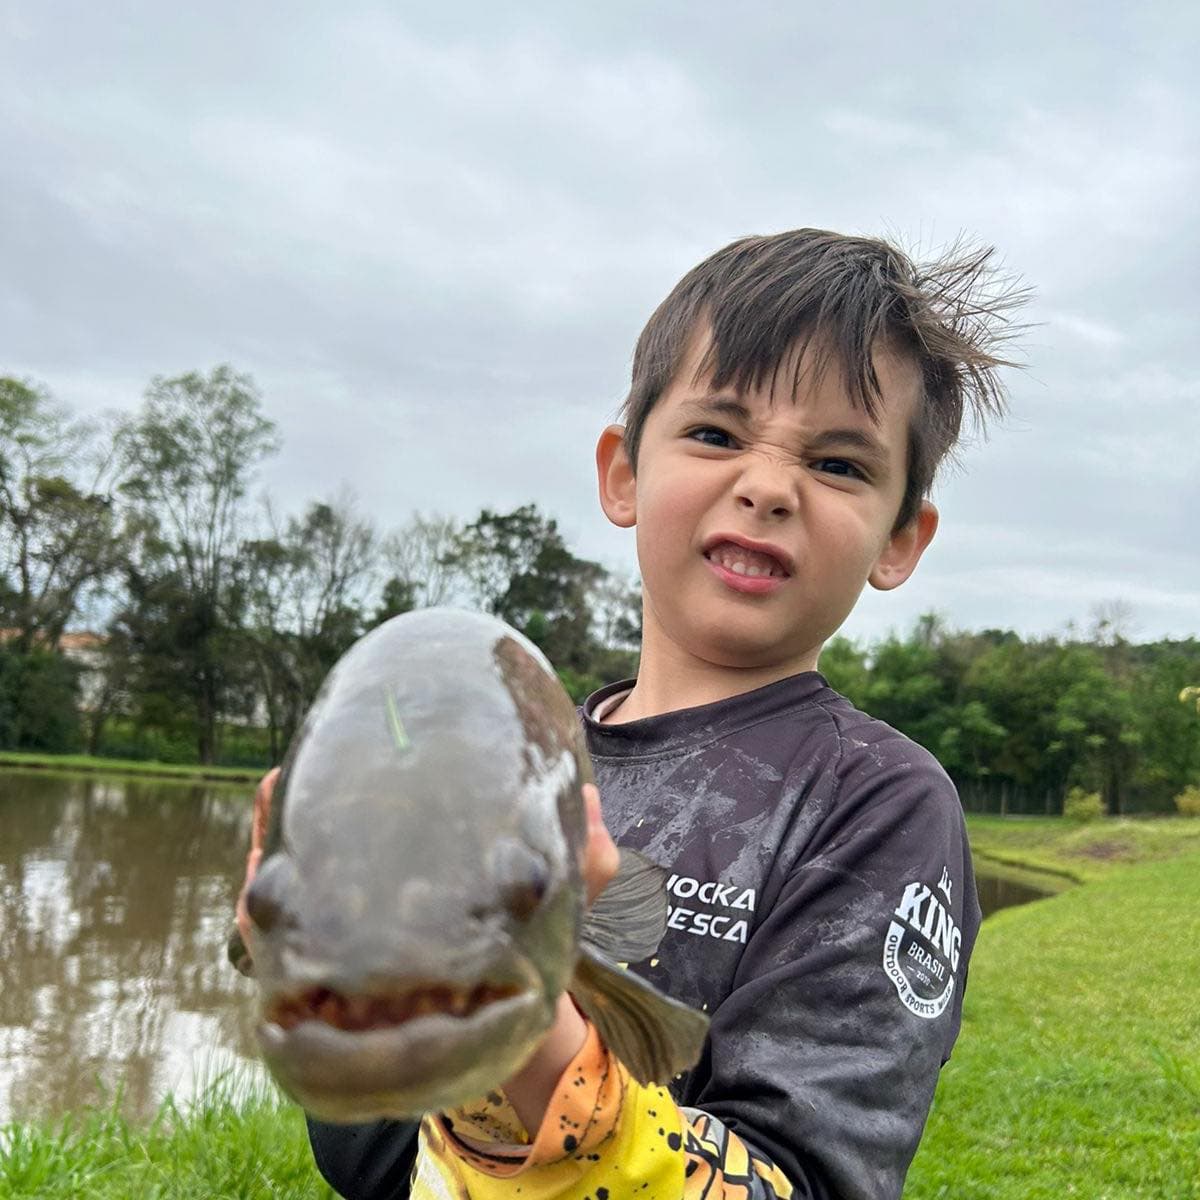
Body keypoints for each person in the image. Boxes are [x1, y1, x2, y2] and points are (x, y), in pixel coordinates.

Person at [238, 228, 1023, 1199]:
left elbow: (804, 1179)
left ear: (902, 538)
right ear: (622, 472)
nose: (768, 487)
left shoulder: (880, 801)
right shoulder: (500, 771)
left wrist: (529, 1002)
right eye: (716, 434)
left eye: (840, 464)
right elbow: (373, 1159)